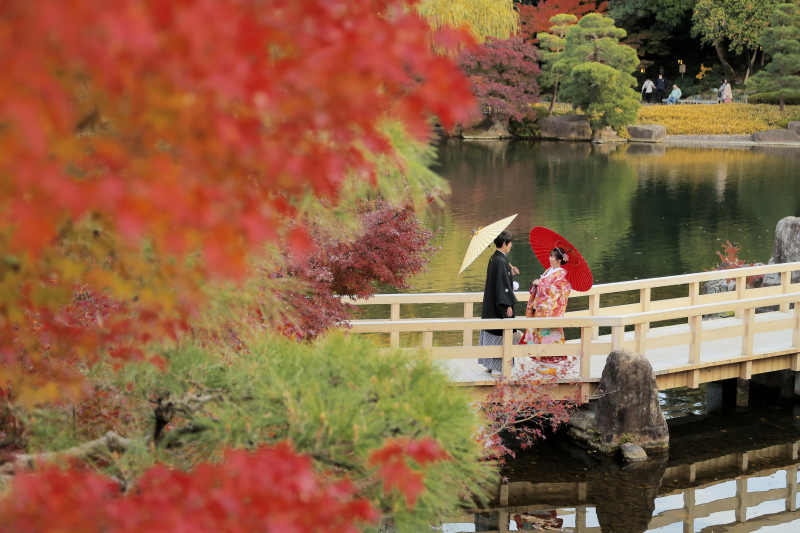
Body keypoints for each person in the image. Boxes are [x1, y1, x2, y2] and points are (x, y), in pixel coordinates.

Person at [519, 247, 572, 373]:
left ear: (559, 260)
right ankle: (542, 361)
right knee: (540, 335)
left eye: (552, 256)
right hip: (541, 309)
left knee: (549, 336)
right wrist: (538, 284)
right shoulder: (549, 271)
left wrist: (540, 284)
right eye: (550, 255)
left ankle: (551, 365)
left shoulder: (562, 275)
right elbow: (543, 287)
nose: (549, 258)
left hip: (550, 311)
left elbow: (556, 291)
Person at [478, 230, 519, 376]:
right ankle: (497, 368)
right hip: (499, 306)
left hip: (491, 303)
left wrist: (509, 272)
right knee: (500, 333)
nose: (511, 246)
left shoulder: (495, 258)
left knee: (492, 332)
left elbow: (501, 280)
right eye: (510, 243)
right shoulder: (500, 261)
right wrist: (507, 305)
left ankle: (490, 365)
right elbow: (502, 287)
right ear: (504, 244)